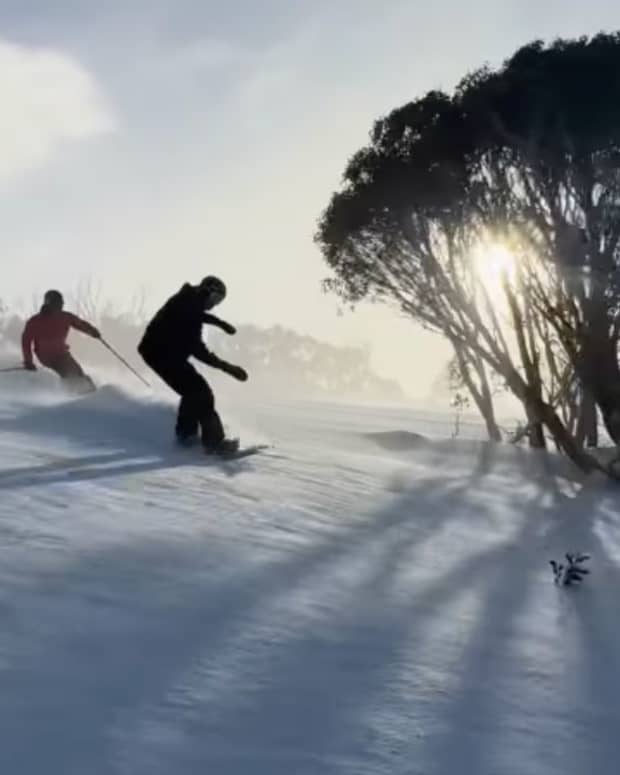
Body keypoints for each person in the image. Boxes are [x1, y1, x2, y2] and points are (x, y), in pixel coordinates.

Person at [138, 276, 248, 454]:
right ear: (207, 292)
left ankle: (186, 436)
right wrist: (227, 367)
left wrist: (219, 323)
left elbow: (196, 315)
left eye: (218, 302)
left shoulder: (188, 300)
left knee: (193, 392)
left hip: (165, 353)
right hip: (160, 353)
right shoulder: (186, 304)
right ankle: (212, 443)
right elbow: (198, 350)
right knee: (200, 392)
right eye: (215, 300)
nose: (214, 305)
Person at [21, 290, 100, 394]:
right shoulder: (35, 321)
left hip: (62, 354)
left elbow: (80, 324)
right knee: (68, 375)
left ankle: (93, 396)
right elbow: (26, 342)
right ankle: (71, 399)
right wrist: (28, 361)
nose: (61, 305)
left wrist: (92, 331)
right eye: (58, 303)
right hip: (46, 357)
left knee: (79, 375)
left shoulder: (65, 317)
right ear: (49, 303)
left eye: (61, 303)